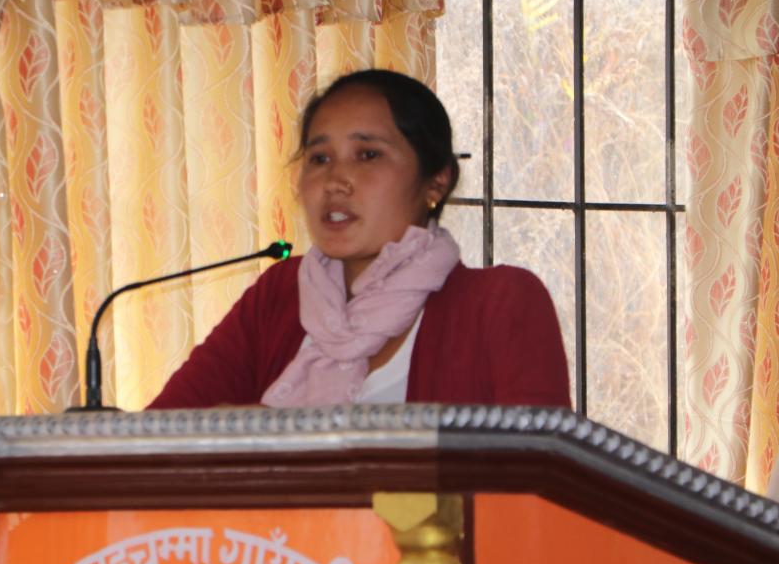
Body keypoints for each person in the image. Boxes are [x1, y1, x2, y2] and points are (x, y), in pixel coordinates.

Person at [149, 69, 570, 410]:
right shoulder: (279, 296)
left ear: (437, 181)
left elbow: (537, 477)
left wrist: (278, 442)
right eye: (319, 158)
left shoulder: (501, 303)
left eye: (368, 155)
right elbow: (158, 440)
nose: (336, 180)